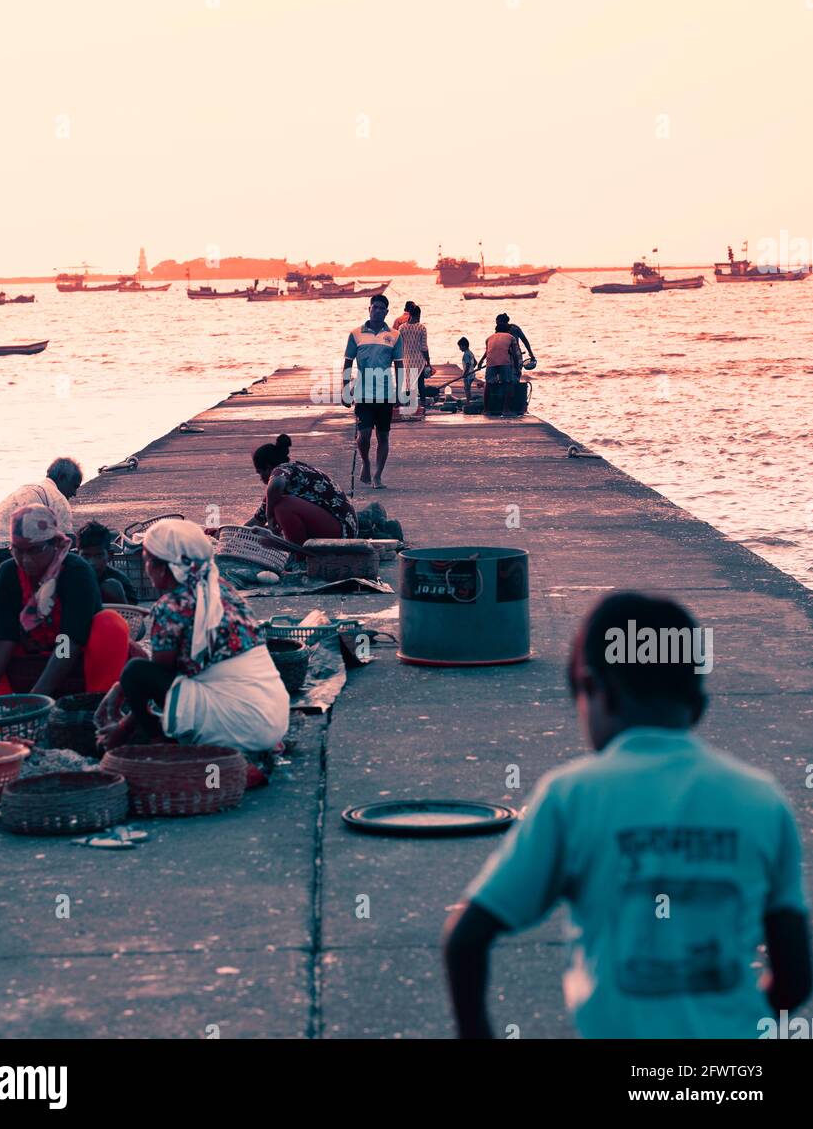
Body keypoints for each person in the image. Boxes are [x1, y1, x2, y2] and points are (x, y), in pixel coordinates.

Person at [444, 591, 812, 1039]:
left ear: (600, 692)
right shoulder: (762, 800)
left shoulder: (572, 796)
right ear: (698, 703)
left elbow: (466, 938)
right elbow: (794, 979)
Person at [94, 520, 289, 758]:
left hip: (235, 728)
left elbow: (155, 680)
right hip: (273, 718)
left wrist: (123, 728)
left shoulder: (171, 607)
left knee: (135, 672)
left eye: (147, 561)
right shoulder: (221, 589)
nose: (146, 569)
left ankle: (159, 741)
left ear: (164, 568)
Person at [0, 504, 130, 698]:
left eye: (35, 550)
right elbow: (3, 637)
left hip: (72, 658)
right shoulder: (8, 573)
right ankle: (1, 701)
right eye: (18, 551)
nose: (26, 559)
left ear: (55, 544)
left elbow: (69, 640)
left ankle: (95, 701)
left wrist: (38, 695)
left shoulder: (76, 572)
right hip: (26, 656)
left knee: (110, 625)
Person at [0, 457, 83, 579]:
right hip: (2, 550)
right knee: (61, 547)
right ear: (62, 478)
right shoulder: (58, 498)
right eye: (74, 486)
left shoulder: (29, 488)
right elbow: (67, 539)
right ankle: (4, 573)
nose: (75, 493)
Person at [247, 434, 357, 544]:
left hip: (343, 531)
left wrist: (270, 516)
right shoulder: (275, 493)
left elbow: (276, 485)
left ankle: (298, 556)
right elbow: (257, 521)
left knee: (283, 506)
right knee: (265, 540)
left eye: (260, 472)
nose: (260, 478)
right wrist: (235, 539)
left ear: (269, 467)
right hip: (331, 526)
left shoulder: (284, 468)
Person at [343, 294, 403, 490]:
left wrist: (401, 392)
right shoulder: (356, 334)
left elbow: (399, 365)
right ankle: (366, 463)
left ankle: (378, 476)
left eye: (381, 308)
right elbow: (348, 362)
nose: (377, 310)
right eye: (374, 307)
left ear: (386, 312)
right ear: (369, 309)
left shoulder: (394, 336)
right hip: (362, 392)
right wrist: (344, 389)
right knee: (365, 435)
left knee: (383, 436)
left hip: (386, 393)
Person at [77, 521, 138, 604]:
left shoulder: (120, 580)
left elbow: (131, 612)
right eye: (86, 556)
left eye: (98, 556)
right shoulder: (72, 577)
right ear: (77, 555)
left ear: (110, 556)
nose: (92, 562)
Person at [475, 315, 520, 415]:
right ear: (507, 331)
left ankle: (486, 410)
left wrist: (481, 361)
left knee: (488, 384)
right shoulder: (511, 337)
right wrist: (517, 367)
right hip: (504, 362)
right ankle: (505, 410)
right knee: (507, 384)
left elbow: (487, 352)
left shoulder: (489, 338)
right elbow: (515, 354)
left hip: (491, 362)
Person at [398, 304, 431, 420]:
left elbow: (399, 346)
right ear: (418, 315)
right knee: (420, 384)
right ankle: (422, 405)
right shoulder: (422, 328)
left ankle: (407, 406)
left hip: (406, 359)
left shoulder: (401, 328)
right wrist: (428, 362)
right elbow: (424, 347)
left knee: (407, 384)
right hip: (419, 360)